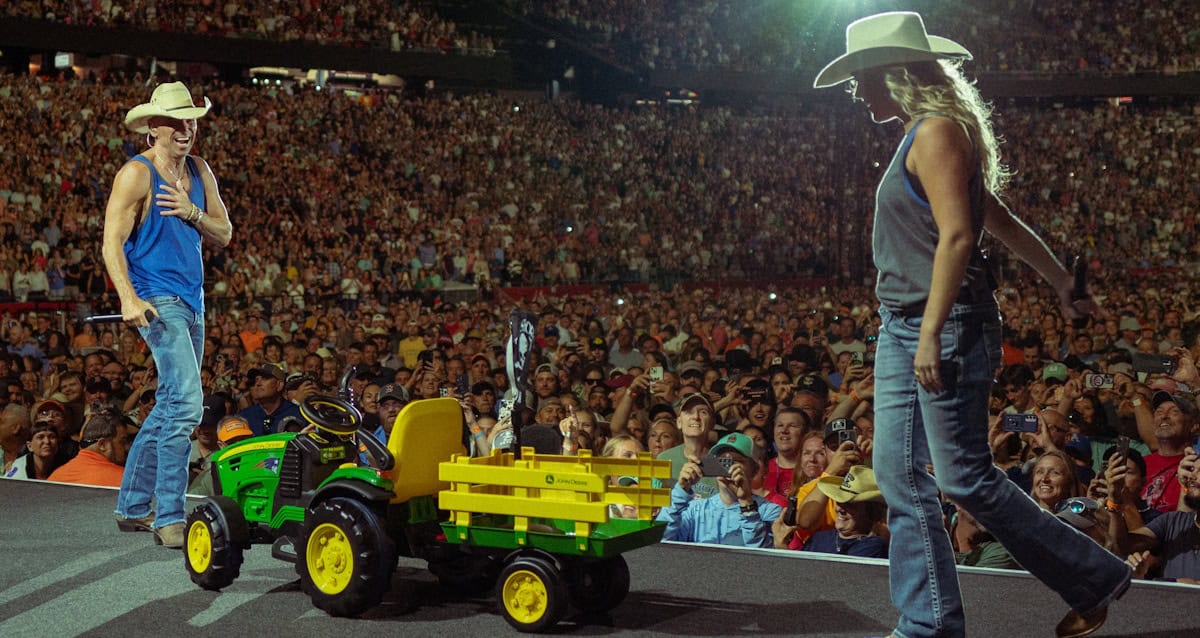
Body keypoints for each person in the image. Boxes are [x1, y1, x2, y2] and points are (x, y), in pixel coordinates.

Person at [813, 12, 1130, 638]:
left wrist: (929, 331)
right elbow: (999, 219)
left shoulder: (934, 133)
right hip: (905, 323)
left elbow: (961, 235)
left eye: (861, 78)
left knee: (962, 477)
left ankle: (1092, 577)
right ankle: (929, 625)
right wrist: (1060, 279)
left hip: (943, 322)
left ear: (893, 74)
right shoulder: (924, 132)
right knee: (900, 476)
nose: (855, 91)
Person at [103, 81, 233, 549]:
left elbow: (225, 231)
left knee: (170, 403)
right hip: (159, 301)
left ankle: (133, 507)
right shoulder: (135, 174)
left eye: (191, 120)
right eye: (176, 121)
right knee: (186, 407)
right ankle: (169, 516)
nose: (186, 129)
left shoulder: (200, 170)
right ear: (153, 127)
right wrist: (127, 297)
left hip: (193, 301)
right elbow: (110, 242)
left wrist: (192, 211)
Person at [657, 432, 782, 547]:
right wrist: (681, 490)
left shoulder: (770, 511)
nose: (729, 467)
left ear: (754, 470)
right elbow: (661, 540)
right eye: (722, 461)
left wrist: (746, 502)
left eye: (737, 461)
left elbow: (764, 559)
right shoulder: (694, 510)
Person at [47, 408, 133, 489]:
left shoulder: (56, 476)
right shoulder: (127, 480)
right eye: (123, 441)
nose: (127, 447)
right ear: (102, 444)